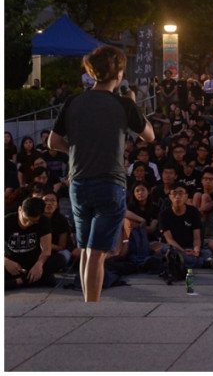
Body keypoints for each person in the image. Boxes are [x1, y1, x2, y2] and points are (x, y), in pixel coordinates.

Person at [48, 45, 154, 302]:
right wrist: (133, 105)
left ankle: (87, 300)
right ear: (118, 74)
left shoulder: (73, 102)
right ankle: (92, 308)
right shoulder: (122, 105)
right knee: (97, 253)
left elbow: (53, 142)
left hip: (79, 183)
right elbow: (149, 135)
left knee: (85, 249)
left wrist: (75, 151)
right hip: (109, 183)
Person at [158, 182, 213, 269]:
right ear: (170, 196)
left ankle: (187, 262)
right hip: (175, 247)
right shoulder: (164, 214)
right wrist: (183, 251)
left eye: (181, 193)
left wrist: (196, 250)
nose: (177, 196)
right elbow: (169, 239)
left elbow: (197, 237)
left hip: (190, 247)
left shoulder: (193, 212)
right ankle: (202, 263)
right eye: (174, 193)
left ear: (186, 196)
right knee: (168, 251)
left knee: (207, 253)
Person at [5, 197, 58, 290]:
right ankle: (25, 280)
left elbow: (46, 250)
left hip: (32, 262)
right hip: (12, 263)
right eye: (26, 220)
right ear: (20, 209)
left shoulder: (44, 221)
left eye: (33, 222)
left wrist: (39, 264)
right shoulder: (6, 221)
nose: (28, 224)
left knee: (59, 260)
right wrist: (5, 261)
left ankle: (18, 281)